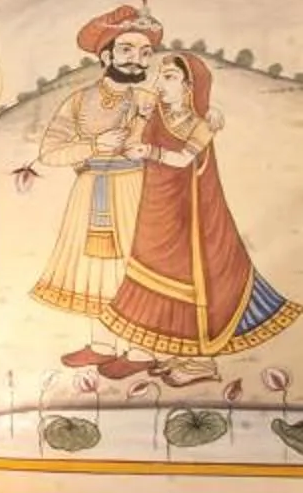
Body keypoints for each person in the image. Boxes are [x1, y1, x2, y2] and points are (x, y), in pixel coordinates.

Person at [99, 50, 299, 360]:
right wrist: (140, 118)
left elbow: (181, 159)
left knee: (188, 271)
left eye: (169, 77)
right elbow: (130, 147)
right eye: (159, 76)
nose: (159, 83)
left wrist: (150, 152)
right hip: (155, 205)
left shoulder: (202, 125)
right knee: (150, 262)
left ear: (189, 86)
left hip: (186, 211)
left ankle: (194, 360)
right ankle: (158, 348)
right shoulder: (155, 114)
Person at [23, 1, 160, 340]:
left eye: (145, 53)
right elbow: (50, 153)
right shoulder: (79, 101)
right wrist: (94, 145)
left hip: (139, 191)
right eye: (127, 49)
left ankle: (138, 349)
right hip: (91, 195)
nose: (137, 59)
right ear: (106, 57)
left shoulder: (148, 99)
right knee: (95, 270)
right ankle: (101, 346)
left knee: (136, 268)